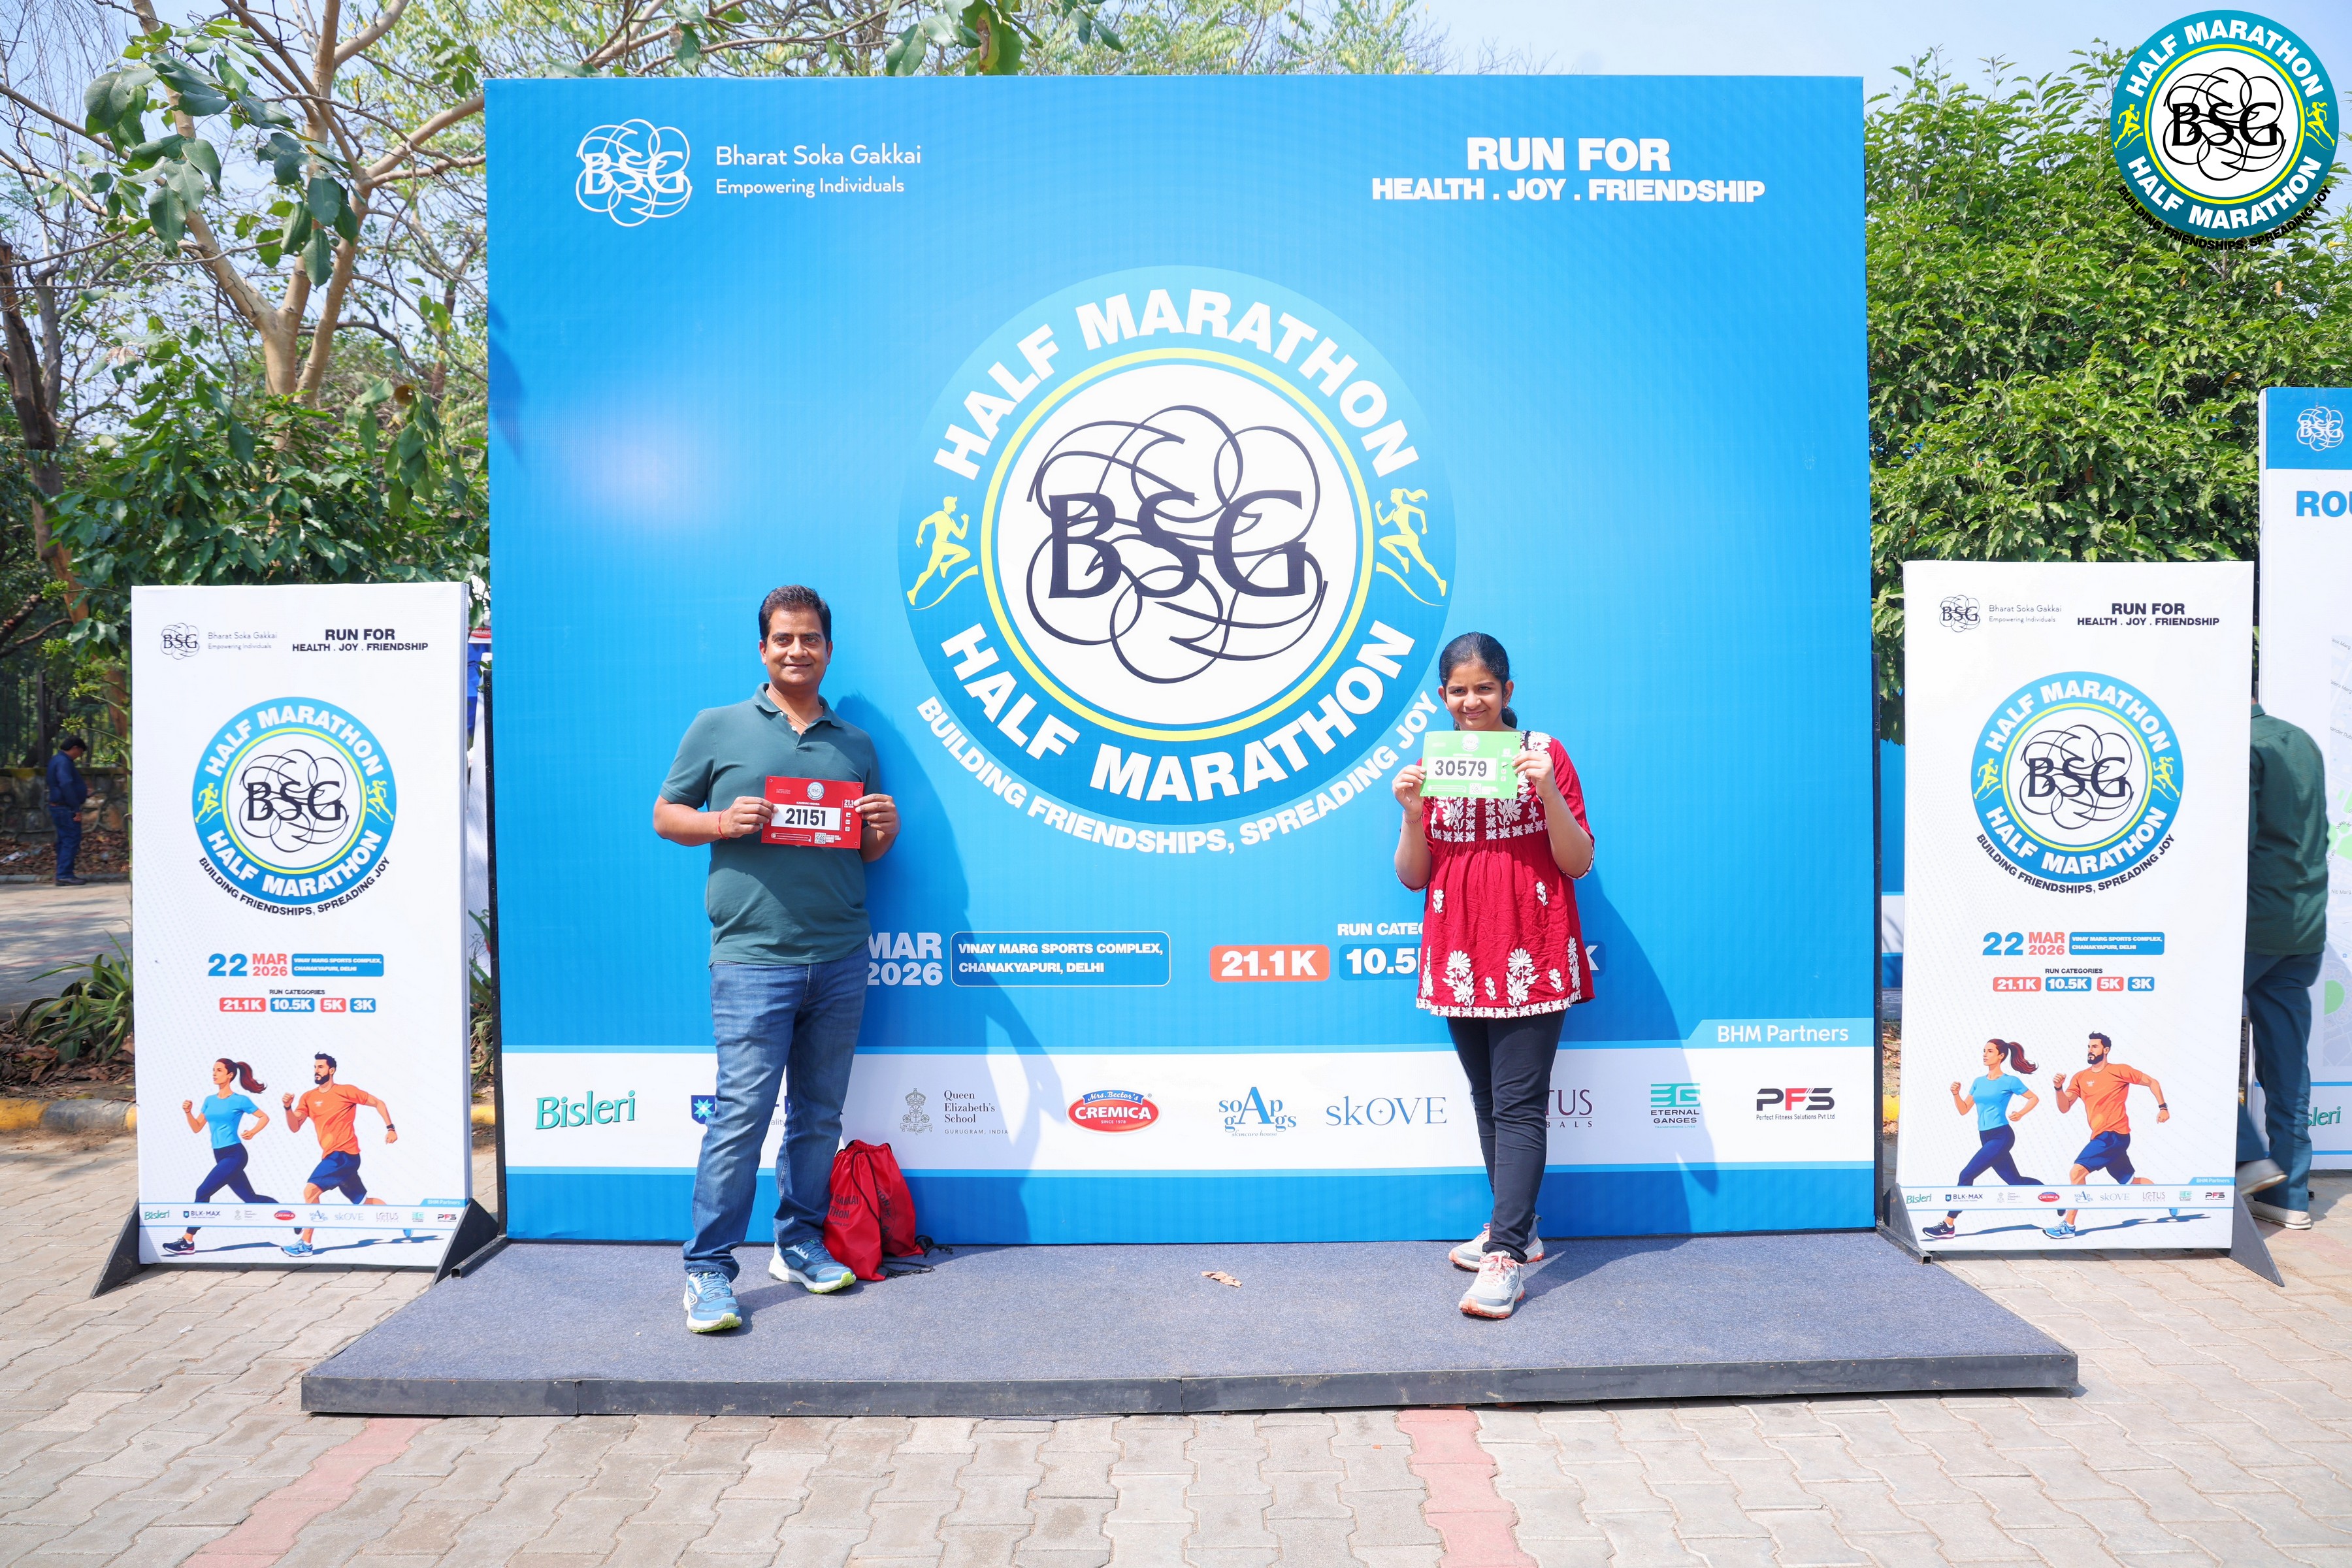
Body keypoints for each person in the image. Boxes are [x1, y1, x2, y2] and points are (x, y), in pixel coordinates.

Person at [656, 585, 900, 1334]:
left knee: (818, 1116)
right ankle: (707, 1269)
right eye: (784, 639)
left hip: (841, 955)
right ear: (763, 649)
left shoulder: (856, 744)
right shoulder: (718, 726)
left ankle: (797, 1242)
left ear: (828, 649)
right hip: (752, 957)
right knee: (742, 1116)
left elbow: (866, 850)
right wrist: (722, 822)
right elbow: (666, 816)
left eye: (811, 639)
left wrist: (884, 829)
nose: (798, 650)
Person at [1392, 632, 1594, 1320]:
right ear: (1442, 695)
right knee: (1487, 1099)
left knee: (1519, 1104)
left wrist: (1548, 793)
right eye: (1459, 690)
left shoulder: (1544, 753)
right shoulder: (1434, 761)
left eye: (1484, 688)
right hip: (1458, 952)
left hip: (1529, 949)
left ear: (1508, 691)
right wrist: (1411, 816)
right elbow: (1413, 875)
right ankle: (1520, 1229)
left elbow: (1577, 862)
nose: (1472, 701)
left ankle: (1505, 1254)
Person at [2238, 699, 2327, 1229]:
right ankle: (2289, 1195)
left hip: (2253, 922)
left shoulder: (2244, 745)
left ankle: (2247, 1157)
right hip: (2303, 924)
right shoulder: (2300, 740)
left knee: (2184, 1036)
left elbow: (2236, 844)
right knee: (2288, 1064)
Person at [2044, 1032, 2168, 1239]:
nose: (2090, 1050)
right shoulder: (2080, 1077)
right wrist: (2058, 1088)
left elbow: (2152, 1082)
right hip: (2101, 1137)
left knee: (2077, 1173)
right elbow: (2064, 1107)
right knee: (2130, 1182)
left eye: (2095, 1047)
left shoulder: (2119, 1070)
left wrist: (2163, 1108)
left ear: (2106, 1050)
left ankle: (2069, 1226)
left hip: (2114, 1134)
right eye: (2089, 1047)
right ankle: (2170, 1198)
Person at [1921, 1040, 2041, 1240]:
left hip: (2001, 1135)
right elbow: (1963, 1110)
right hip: (1985, 1137)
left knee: (1966, 1175)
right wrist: (1956, 1094)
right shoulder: (1978, 1081)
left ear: (2001, 1056)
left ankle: (1948, 1225)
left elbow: (2034, 1098)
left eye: (1990, 1051)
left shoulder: (2010, 1081)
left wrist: (2021, 1113)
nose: (1985, 1054)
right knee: (2015, 1182)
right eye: (1984, 1051)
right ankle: (2055, 1196)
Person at [280, 1053, 399, 1256]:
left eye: (321, 1067)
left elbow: (378, 1103)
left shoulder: (346, 1091)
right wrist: (287, 1108)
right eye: (315, 1067)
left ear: (331, 1070)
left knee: (310, 1192)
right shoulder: (308, 1097)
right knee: (363, 1202)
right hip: (333, 1158)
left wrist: (391, 1128)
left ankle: (305, 1244)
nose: (316, 1071)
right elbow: (294, 1126)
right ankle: (401, 1219)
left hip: (345, 1154)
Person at [161, 1059, 275, 1256]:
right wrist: (188, 1112)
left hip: (235, 1154)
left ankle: (188, 1240)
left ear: (230, 1075)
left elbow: (264, 1117)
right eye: (214, 1070)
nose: (214, 1074)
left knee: (202, 1191)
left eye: (219, 1070)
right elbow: (197, 1127)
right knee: (251, 1199)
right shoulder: (209, 1100)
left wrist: (253, 1132)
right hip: (220, 1155)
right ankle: (291, 1215)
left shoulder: (240, 1100)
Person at [46, 736, 88, 886]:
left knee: (64, 840)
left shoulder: (57, 760)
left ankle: (62, 873)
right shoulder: (64, 762)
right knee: (71, 839)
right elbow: (66, 784)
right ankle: (65, 874)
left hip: (60, 806)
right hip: (66, 808)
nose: (79, 756)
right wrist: (76, 808)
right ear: (75, 748)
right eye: (80, 752)